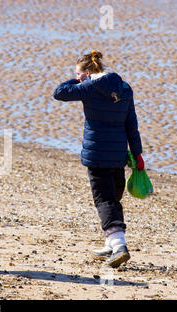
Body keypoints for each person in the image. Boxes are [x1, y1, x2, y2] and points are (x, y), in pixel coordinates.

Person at [53, 50, 145, 268]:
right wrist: (138, 154)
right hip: (118, 155)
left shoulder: (90, 87)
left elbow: (59, 92)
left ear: (87, 72)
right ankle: (110, 245)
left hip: (97, 155)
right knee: (113, 198)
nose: (76, 77)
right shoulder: (124, 88)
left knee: (103, 200)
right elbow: (132, 124)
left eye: (78, 73)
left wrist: (79, 81)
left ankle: (119, 246)